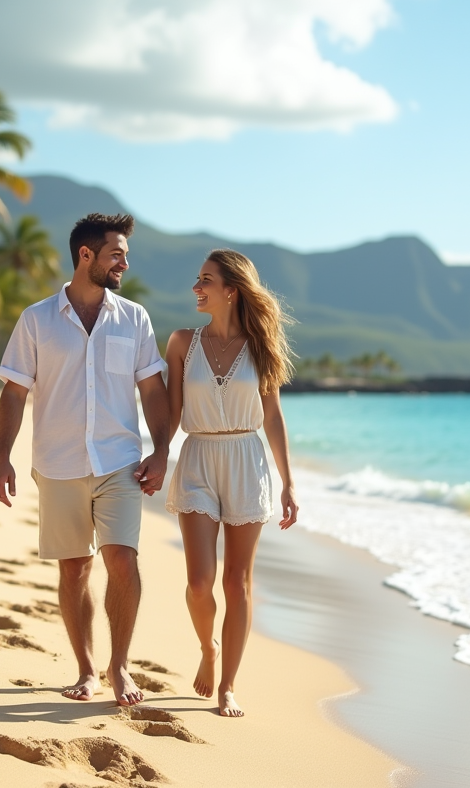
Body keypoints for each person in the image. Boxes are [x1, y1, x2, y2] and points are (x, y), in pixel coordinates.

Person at [0, 212, 170, 707]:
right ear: (85, 255)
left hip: (119, 462)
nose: (123, 264)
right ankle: (87, 670)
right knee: (74, 569)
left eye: (125, 256)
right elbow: (14, 393)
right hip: (58, 463)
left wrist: (162, 449)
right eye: (116, 254)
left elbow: (152, 389)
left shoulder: (134, 318)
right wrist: (1, 458)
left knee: (123, 559)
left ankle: (120, 667)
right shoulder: (36, 319)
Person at [164, 248, 299, 717]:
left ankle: (228, 687)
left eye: (206, 280)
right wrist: (158, 455)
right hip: (199, 456)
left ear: (231, 290)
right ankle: (208, 646)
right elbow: (171, 412)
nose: (197, 288)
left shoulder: (261, 347)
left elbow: (273, 416)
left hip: (247, 459)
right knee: (201, 583)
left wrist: (288, 482)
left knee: (236, 581)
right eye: (197, 279)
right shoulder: (182, 342)